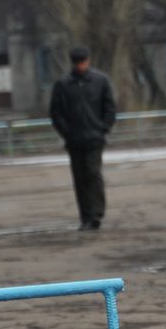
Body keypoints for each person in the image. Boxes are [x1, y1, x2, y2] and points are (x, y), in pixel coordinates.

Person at [48, 45, 118, 229]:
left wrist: (104, 128)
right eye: (78, 63)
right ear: (73, 63)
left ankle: (96, 214)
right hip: (74, 140)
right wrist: (67, 133)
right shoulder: (63, 85)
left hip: (95, 137)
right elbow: (56, 113)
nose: (81, 66)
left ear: (88, 61)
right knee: (80, 178)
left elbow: (110, 107)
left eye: (84, 62)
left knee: (93, 174)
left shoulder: (100, 81)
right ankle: (85, 217)